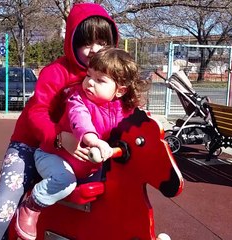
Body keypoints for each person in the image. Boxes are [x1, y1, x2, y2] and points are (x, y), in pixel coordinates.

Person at [0, 3, 118, 240]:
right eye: (87, 42)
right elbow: (37, 112)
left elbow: (121, 106)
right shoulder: (57, 71)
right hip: (31, 143)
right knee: (6, 200)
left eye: (102, 43)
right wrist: (59, 137)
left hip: (71, 152)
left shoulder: (109, 75)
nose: (95, 50)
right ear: (73, 42)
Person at [14, 48, 151, 240]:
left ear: (120, 91)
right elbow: (80, 120)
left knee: (114, 189)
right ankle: (31, 206)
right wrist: (92, 139)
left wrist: (149, 127)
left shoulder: (123, 110)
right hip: (52, 155)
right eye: (89, 76)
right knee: (65, 181)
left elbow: (135, 125)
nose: (90, 83)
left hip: (86, 167)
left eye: (100, 80)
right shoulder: (78, 99)